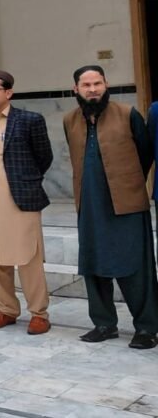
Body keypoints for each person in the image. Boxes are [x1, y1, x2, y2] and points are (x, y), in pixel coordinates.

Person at [66, 65, 158, 348]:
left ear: (106, 84)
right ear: (76, 89)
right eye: (86, 85)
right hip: (90, 204)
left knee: (136, 267)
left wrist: (127, 184)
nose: (93, 89)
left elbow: (145, 153)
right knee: (93, 264)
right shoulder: (70, 120)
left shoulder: (128, 114)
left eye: (98, 83)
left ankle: (146, 328)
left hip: (126, 204)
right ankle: (104, 324)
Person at [0, 70, 54, 335]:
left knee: (28, 256)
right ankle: (5, 309)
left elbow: (44, 157)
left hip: (21, 198)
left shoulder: (30, 120)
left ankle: (38, 313)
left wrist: (25, 181)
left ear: (8, 92)